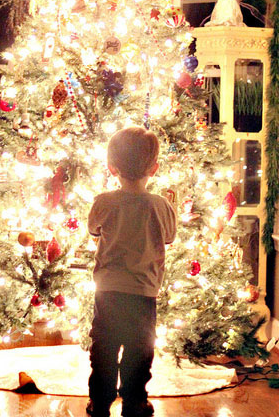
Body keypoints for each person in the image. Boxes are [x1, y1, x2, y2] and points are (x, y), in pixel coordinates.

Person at [86, 126, 177, 417]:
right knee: (140, 350)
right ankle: (134, 400)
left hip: (109, 290)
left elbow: (92, 230)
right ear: (155, 167)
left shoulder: (104, 202)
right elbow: (170, 237)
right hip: (144, 291)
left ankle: (100, 401)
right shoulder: (161, 206)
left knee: (104, 347)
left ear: (112, 168)